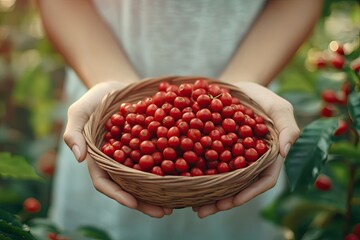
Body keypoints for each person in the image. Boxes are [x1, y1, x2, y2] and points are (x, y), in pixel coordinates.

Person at [37, 0, 323, 239]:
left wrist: (240, 86)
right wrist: (117, 89)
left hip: (248, 83)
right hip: (104, 80)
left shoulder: (232, 128)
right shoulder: (137, 125)